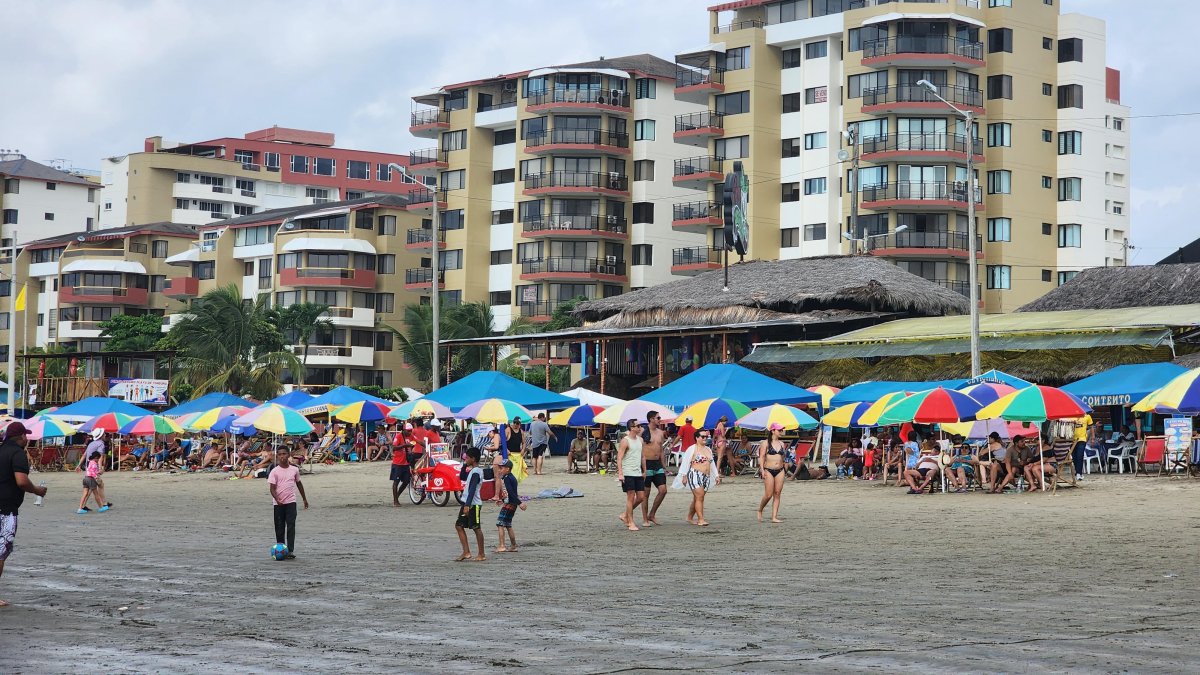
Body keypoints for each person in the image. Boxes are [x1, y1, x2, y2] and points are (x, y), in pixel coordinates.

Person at [0, 422, 48, 607]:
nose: (27, 439)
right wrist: (37, 490)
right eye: (25, 436)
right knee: (1, 552)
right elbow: (21, 481)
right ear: (20, 437)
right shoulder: (17, 453)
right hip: (5, 509)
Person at [673, 428, 719, 526]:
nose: (705, 438)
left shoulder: (708, 449)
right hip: (695, 473)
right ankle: (701, 519)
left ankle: (689, 517)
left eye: (706, 436)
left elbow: (712, 463)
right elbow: (685, 463)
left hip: (706, 475)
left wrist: (716, 475)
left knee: (697, 498)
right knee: (700, 496)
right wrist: (683, 476)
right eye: (703, 436)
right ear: (697, 438)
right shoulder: (692, 448)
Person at [268, 449, 308, 559]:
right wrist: (277, 499)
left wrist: (304, 499)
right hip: (278, 503)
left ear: (288, 455)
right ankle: (280, 548)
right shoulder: (274, 471)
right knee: (279, 527)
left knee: (291, 525)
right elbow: (272, 489)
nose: (282, 456)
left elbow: (299, 484)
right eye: (280, 454)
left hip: (291, 502)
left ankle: (290, 550)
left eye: (284, 454)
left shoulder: (294, 470)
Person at [455, 447, 486, 562]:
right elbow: (462, 476)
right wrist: (464, 464)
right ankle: (466, 552)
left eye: (467, 458)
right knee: (459, 525)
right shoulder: (472, 470)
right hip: (466, 502)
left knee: (476, 528)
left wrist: (467, 505)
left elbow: (472, 489)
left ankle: (481, 553)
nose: (465, 459)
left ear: (473, 459)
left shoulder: (477, 472)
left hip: (473, 504)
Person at [615, 419, 646, 532]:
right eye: (638, 426)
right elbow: (619, 457)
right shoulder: (625, 441)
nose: (640, 427)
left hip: (638, 472)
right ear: (632, 428)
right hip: (628, 472)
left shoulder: (640, 440)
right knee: (630, 496)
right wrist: (620, 473)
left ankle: (624, 514)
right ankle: (631, 521)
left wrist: (644, 470)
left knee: (641, 497)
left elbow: (642, 456)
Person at [640, 410, 668, 528]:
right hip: (646, 463)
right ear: (651, 419)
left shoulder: (660, 433)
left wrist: (664, 465)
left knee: (663, 490)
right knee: (646, 493)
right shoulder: (642, 431)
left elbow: (661, 450)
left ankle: (652, 514)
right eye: (658, 417)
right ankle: (645, 518)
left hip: (657, 464)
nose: (659, 419)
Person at [756, 423, 789, 523]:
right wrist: (762, 470)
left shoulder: (782, 444)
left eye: (781, 430)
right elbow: (761, 457)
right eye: (779, 430)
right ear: (773, 431)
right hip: (768, 469)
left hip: (780, 470)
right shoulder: (765, 443)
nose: (781, 432)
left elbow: (783, 458)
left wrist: (786, 468)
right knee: (768, 494)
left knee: (777, 493)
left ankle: (774, 517)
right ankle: (760, 510)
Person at [494, 459, 526, 553]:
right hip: (511, 503)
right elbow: (509, 493)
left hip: (510, 503)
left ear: (508, 469)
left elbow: (511, 493)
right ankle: (513, 545)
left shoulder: (508, 478)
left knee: (500, 523)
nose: (500, 470)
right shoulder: (508, 477)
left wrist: (519, 503)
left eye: (502, 468)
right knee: (508, 525)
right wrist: (502, 500)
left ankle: (502, 545)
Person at [390, 427, 415, 506]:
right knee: (396, 482)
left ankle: (396, 496)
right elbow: (394, 447)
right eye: (408, 431)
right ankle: (395, 501)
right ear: (403, 430)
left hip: (406, 463)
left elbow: (415, 442)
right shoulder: (398, 436)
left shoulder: (411, 436)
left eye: (411, 430)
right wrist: (404, 445)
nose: (410, 432)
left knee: (406, 481)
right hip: (397, 463)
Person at [528, 412, 555, 476]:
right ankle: (539, 471)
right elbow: (550, 432)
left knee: (534, 457)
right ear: (542, 417)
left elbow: (530, 432)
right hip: (542, 443)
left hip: (534, 443)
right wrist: (555, 437)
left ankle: (534, 471)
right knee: (540, 456)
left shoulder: (532, 424)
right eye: (544, 417)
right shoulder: (544, 424)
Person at [1070, 414, 1093, 482]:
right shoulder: (1070, 416)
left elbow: (1091, 427)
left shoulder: (1087, 416)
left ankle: (1079, 473)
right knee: (1074, 457)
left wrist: (1093, 438)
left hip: (1082, 439)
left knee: (1080, 455)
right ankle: (1077, 471)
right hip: (1072, 439)